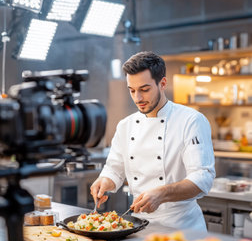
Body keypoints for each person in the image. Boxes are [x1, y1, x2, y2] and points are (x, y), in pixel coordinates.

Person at [91, 51, 215, 231]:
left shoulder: (191, 121)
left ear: (162, 83)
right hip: (138, 226)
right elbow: (114, 169)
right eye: (132, 90)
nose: (137, 98)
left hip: (182, 227)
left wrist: (161, 193)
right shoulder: (125, 125)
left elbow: (202, 178)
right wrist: (104, 181)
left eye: (144, 89)